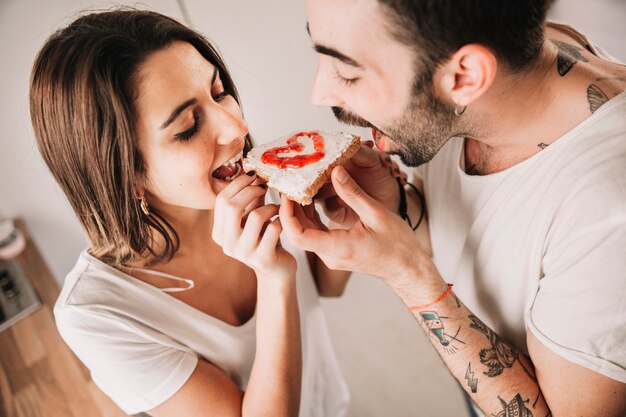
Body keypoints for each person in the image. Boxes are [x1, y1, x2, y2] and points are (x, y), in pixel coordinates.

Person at [280, 0, 626, 416]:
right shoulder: (507, 63)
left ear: (465, 76)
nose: (320, 94)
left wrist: (408, 275)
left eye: (350, 73)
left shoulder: (608, 216)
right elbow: (473, 233)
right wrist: (399, 210)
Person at [29, 9, 353, 417]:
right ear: (125, 175)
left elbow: (326, 287)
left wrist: (342, 225)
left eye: (219, 93)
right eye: (187, 127)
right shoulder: (95, 315)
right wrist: (273, 279)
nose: (235, 126)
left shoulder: (266, 180)